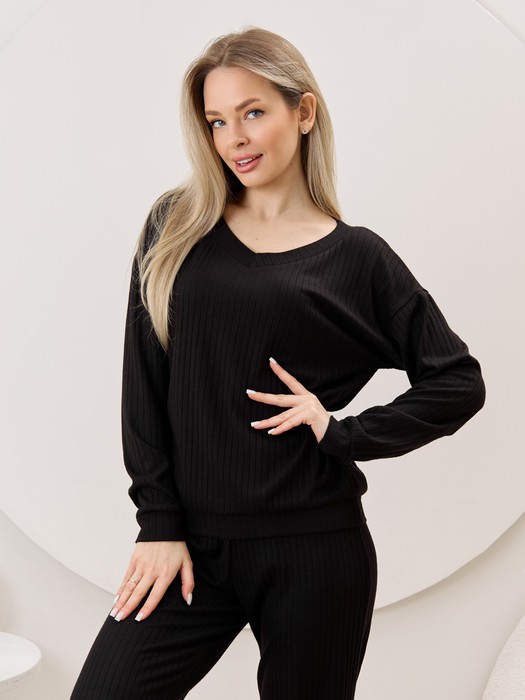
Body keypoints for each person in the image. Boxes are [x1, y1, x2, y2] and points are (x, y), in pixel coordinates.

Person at [71, 26, 485, 700]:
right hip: (189, 549)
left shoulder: (357, 258)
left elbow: (457, 380)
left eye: (253, 112)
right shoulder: (175, 226)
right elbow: (143, 382)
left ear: (304, 111)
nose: (233, 138)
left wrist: (342, 432)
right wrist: (158, 524)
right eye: (216, 121)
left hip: (315, 549)